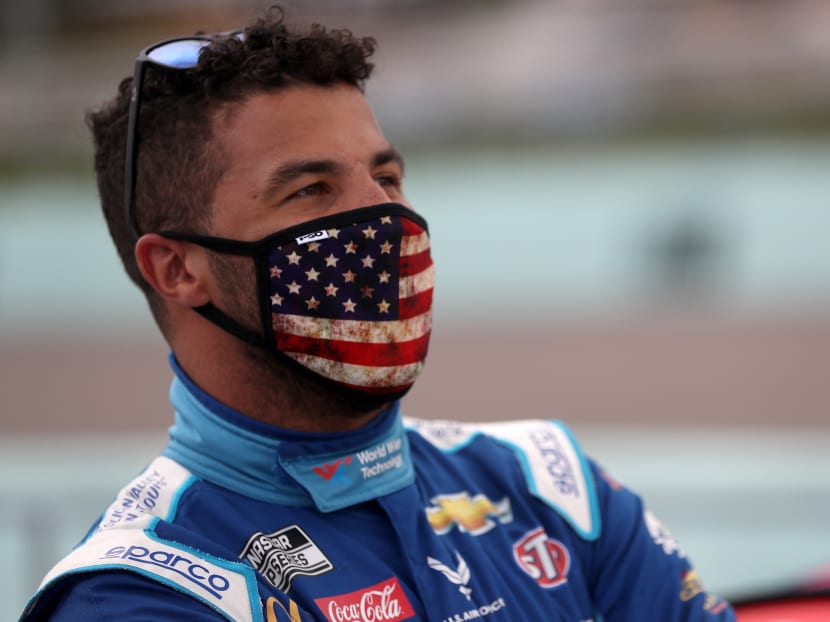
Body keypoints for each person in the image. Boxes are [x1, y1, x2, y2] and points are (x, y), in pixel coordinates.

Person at [20, 8, 735, 622]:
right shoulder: (141, 591)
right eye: (311, 190)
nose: (386, 219)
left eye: (386, 177)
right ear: (177, 269)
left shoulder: (550, 484)